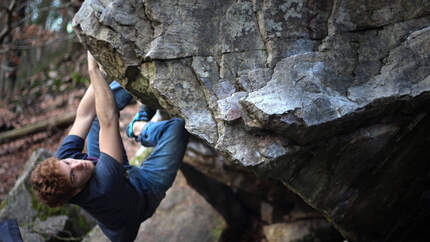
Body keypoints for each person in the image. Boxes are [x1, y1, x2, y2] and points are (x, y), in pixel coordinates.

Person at [30, 51, 188, 241]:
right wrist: (92, 70)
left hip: (121, 176)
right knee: (178, 128)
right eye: (73, 175)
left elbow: (85, 115)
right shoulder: (104, 186)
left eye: (69, 163)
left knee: (97, 112)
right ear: (74, 192)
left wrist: (104, 70)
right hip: (144, 192)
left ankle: (135, 78)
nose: (78, 164)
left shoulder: (62, 163)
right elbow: (109, 120)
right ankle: (138, 128)